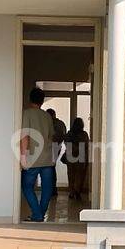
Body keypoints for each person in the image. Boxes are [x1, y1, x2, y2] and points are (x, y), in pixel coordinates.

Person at [20, 88, 55, 222]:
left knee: (27, 186)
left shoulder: (27, 114)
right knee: (47, 188)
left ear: (30, 99)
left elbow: (25, 137)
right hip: (47, 158)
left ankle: (37, 214)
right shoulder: (47, 116)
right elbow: (51, 137)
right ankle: (40, 213)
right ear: (42, 100)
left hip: (32, 158)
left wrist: (23, 156)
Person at [63, 117, 89, 201]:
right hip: (81, 156)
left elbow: (66, 143)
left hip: (71, 156)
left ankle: (71, 192)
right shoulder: (84, 134)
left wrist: (73, 147)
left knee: (71, 175)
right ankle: (77, 191)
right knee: (80, 175)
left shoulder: (69, 134)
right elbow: (86, 145)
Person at [46, 108, 67, 197]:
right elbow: (63, 136)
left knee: (49, 168)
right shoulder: (60, 124)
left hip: (50, 148)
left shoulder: (50, 124)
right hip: (56, 147)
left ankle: (51, 189)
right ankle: (52, 189)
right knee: (50, 168)